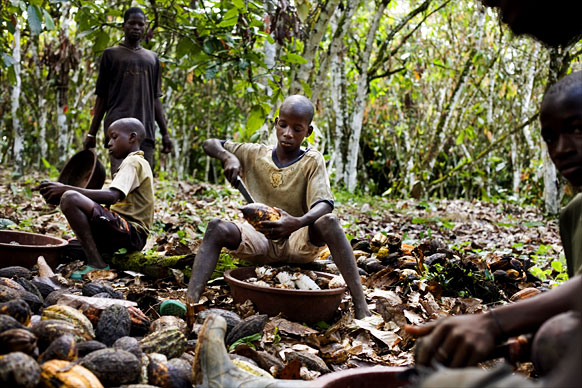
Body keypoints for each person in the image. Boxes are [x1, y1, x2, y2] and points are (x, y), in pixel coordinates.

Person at [405, 71, 582, 385]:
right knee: (553, 334)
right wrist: (518, 342)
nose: (561, 149)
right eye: (550, 137)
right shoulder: (575, 213)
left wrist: (494, 322)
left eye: (577, 130)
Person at [186, 95, 371, 319]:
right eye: (283, 125)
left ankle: (361, 308)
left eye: (297, 128)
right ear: (276, 123)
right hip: (260, 238)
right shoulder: (255, 153)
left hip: (298, 241)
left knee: (329, 222)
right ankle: (190, 302)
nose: (288, 133)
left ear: (308, 132)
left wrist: (297, 222)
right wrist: (228, 157)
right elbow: (210, 143)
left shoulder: (312, 161)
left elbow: (325, 204)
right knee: (217, 227)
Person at [38, 118, 154, 279]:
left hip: (131, 233)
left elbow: (113, 196)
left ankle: (96, 263)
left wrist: (65, 189)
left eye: (114, 137)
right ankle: (102, 256)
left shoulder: (133, 162)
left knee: (70, 198)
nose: (109, 144)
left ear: (132, 138)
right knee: (66, 246)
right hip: (123, 233)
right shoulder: (136, 163)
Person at [83, 6, 173, 175]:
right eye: (132, 23)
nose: (136, 28)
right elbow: (101, 97)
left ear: (145, 27)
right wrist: (91, 134)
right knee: (120, 179)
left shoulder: (152, 59)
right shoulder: (111, 55)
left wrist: (165, 133)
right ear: (123, 25)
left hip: (144, 129)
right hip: (118, 128)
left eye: (141, 24)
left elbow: (155, 99)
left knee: (143, 179)